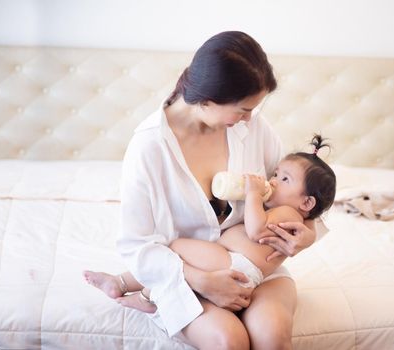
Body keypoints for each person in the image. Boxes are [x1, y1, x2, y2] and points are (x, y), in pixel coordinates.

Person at [86, 31, 318, 350]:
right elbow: (137, 245)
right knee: (228, 341)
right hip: (183, 277)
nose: (250, 118)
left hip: (254, 270)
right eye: (242, 109)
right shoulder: (150, 148)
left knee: (272, 334)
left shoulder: (252, 127)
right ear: (206, 100)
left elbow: (299, 189)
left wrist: (308, 233)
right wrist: (202, 281)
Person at [85, 135, 336, 317]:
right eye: (276, 173)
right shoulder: (287, 211)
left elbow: (256, 231)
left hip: (235, 263)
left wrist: (252, 195)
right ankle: (142, 293)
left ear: (307, 202)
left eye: (284, 179)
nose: (273, 180)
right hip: (232, 263)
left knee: (175, 247)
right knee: (183, 266)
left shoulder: (286, 212)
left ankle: (125, 285)